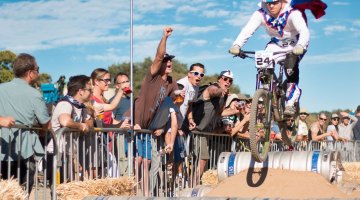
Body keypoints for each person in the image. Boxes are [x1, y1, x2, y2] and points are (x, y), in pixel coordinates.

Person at [229, 0, 327, 116]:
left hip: (295, 44)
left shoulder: (292, 12)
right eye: (268, 3)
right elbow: (247, 30)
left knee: (290, 67)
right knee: (262, 67)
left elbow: (304, 31)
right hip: (275, 45)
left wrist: (300, 46)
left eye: (274, 2)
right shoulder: (261, 14)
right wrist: (237, 45)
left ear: (281, 1)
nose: (271, 6)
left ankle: (290, 103)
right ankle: (272, 92)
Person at [126, 27, 178, 195]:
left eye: (171, 60)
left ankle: (146, 195)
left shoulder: (172, 83)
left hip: (149, 129)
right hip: (135, 122)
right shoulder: (152, 76)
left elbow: (171, 109)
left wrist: (163, 127)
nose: (169, 62)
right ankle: (132, 193)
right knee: (137, 161)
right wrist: (165, 37)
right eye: (166, 60)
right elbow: (158, 56)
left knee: (148, 162)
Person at [0, 53, 51, 194]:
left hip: (2, 149)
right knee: (22, 192)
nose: (38, 73)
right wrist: (42, 129)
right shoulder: (34, 94)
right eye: (38, 69)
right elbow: (46, 123)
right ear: (30, 73)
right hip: (24, 151)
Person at [185, 69, 231, 183]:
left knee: (200, 159)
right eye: (225, 79)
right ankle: (192, 184)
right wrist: (221, 92)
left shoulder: (224, 96)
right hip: (197, 130)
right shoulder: (213, 87)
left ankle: (194, 183)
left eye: (230, 80)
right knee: (202, 158)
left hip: (205, 132)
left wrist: (235, 110)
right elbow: (213, 91)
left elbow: (220, 113)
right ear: (219, 79)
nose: (228, 82)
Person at [49, 75, 93, 185]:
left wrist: (85, 124)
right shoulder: (65, 103)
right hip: (57, 152)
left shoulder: (81, 106)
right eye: (89, 89)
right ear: (81, 91)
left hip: (68, 152)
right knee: (58, 188)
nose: (91, 92)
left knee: (67, 187)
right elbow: (65, 121)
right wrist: (80, 126)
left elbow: (90, 122)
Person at [174, 63, 205, 184]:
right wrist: (175, 126)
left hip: (180, 123)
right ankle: (169, 184)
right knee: (173, 154)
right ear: (189, 74)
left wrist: (191, 119)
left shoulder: (196, 87)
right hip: (171, 122)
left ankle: (177, 181)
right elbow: (173, 106)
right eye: (196, 73)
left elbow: (190, 104)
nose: (199, 76)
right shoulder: (182, 84)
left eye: (201, 74)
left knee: (180, 153)